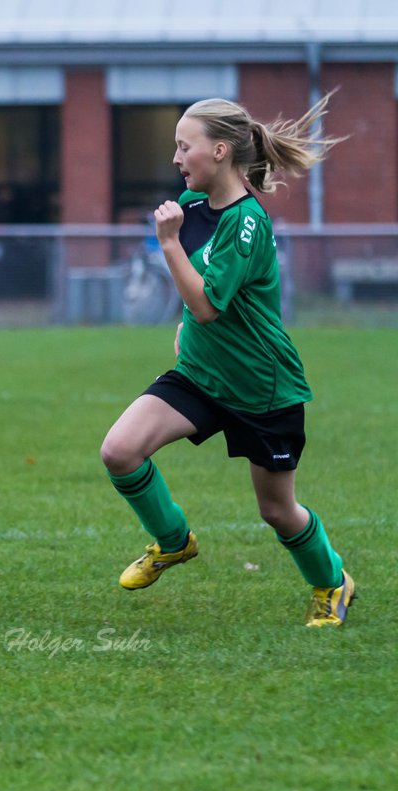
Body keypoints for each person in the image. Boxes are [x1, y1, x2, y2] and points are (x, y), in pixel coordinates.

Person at [100, 94, 353, 627]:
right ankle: (173, 542)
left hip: (262, 387)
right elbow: (200, 299)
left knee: (277, 511)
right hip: (200, 374)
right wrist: (182, 323)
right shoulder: (191, 210)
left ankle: (332, 583)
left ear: (218, 151)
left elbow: (209, 305)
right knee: (120, 451)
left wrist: (167, 246)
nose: (175, 157)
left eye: (183, 146)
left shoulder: (247, 223)